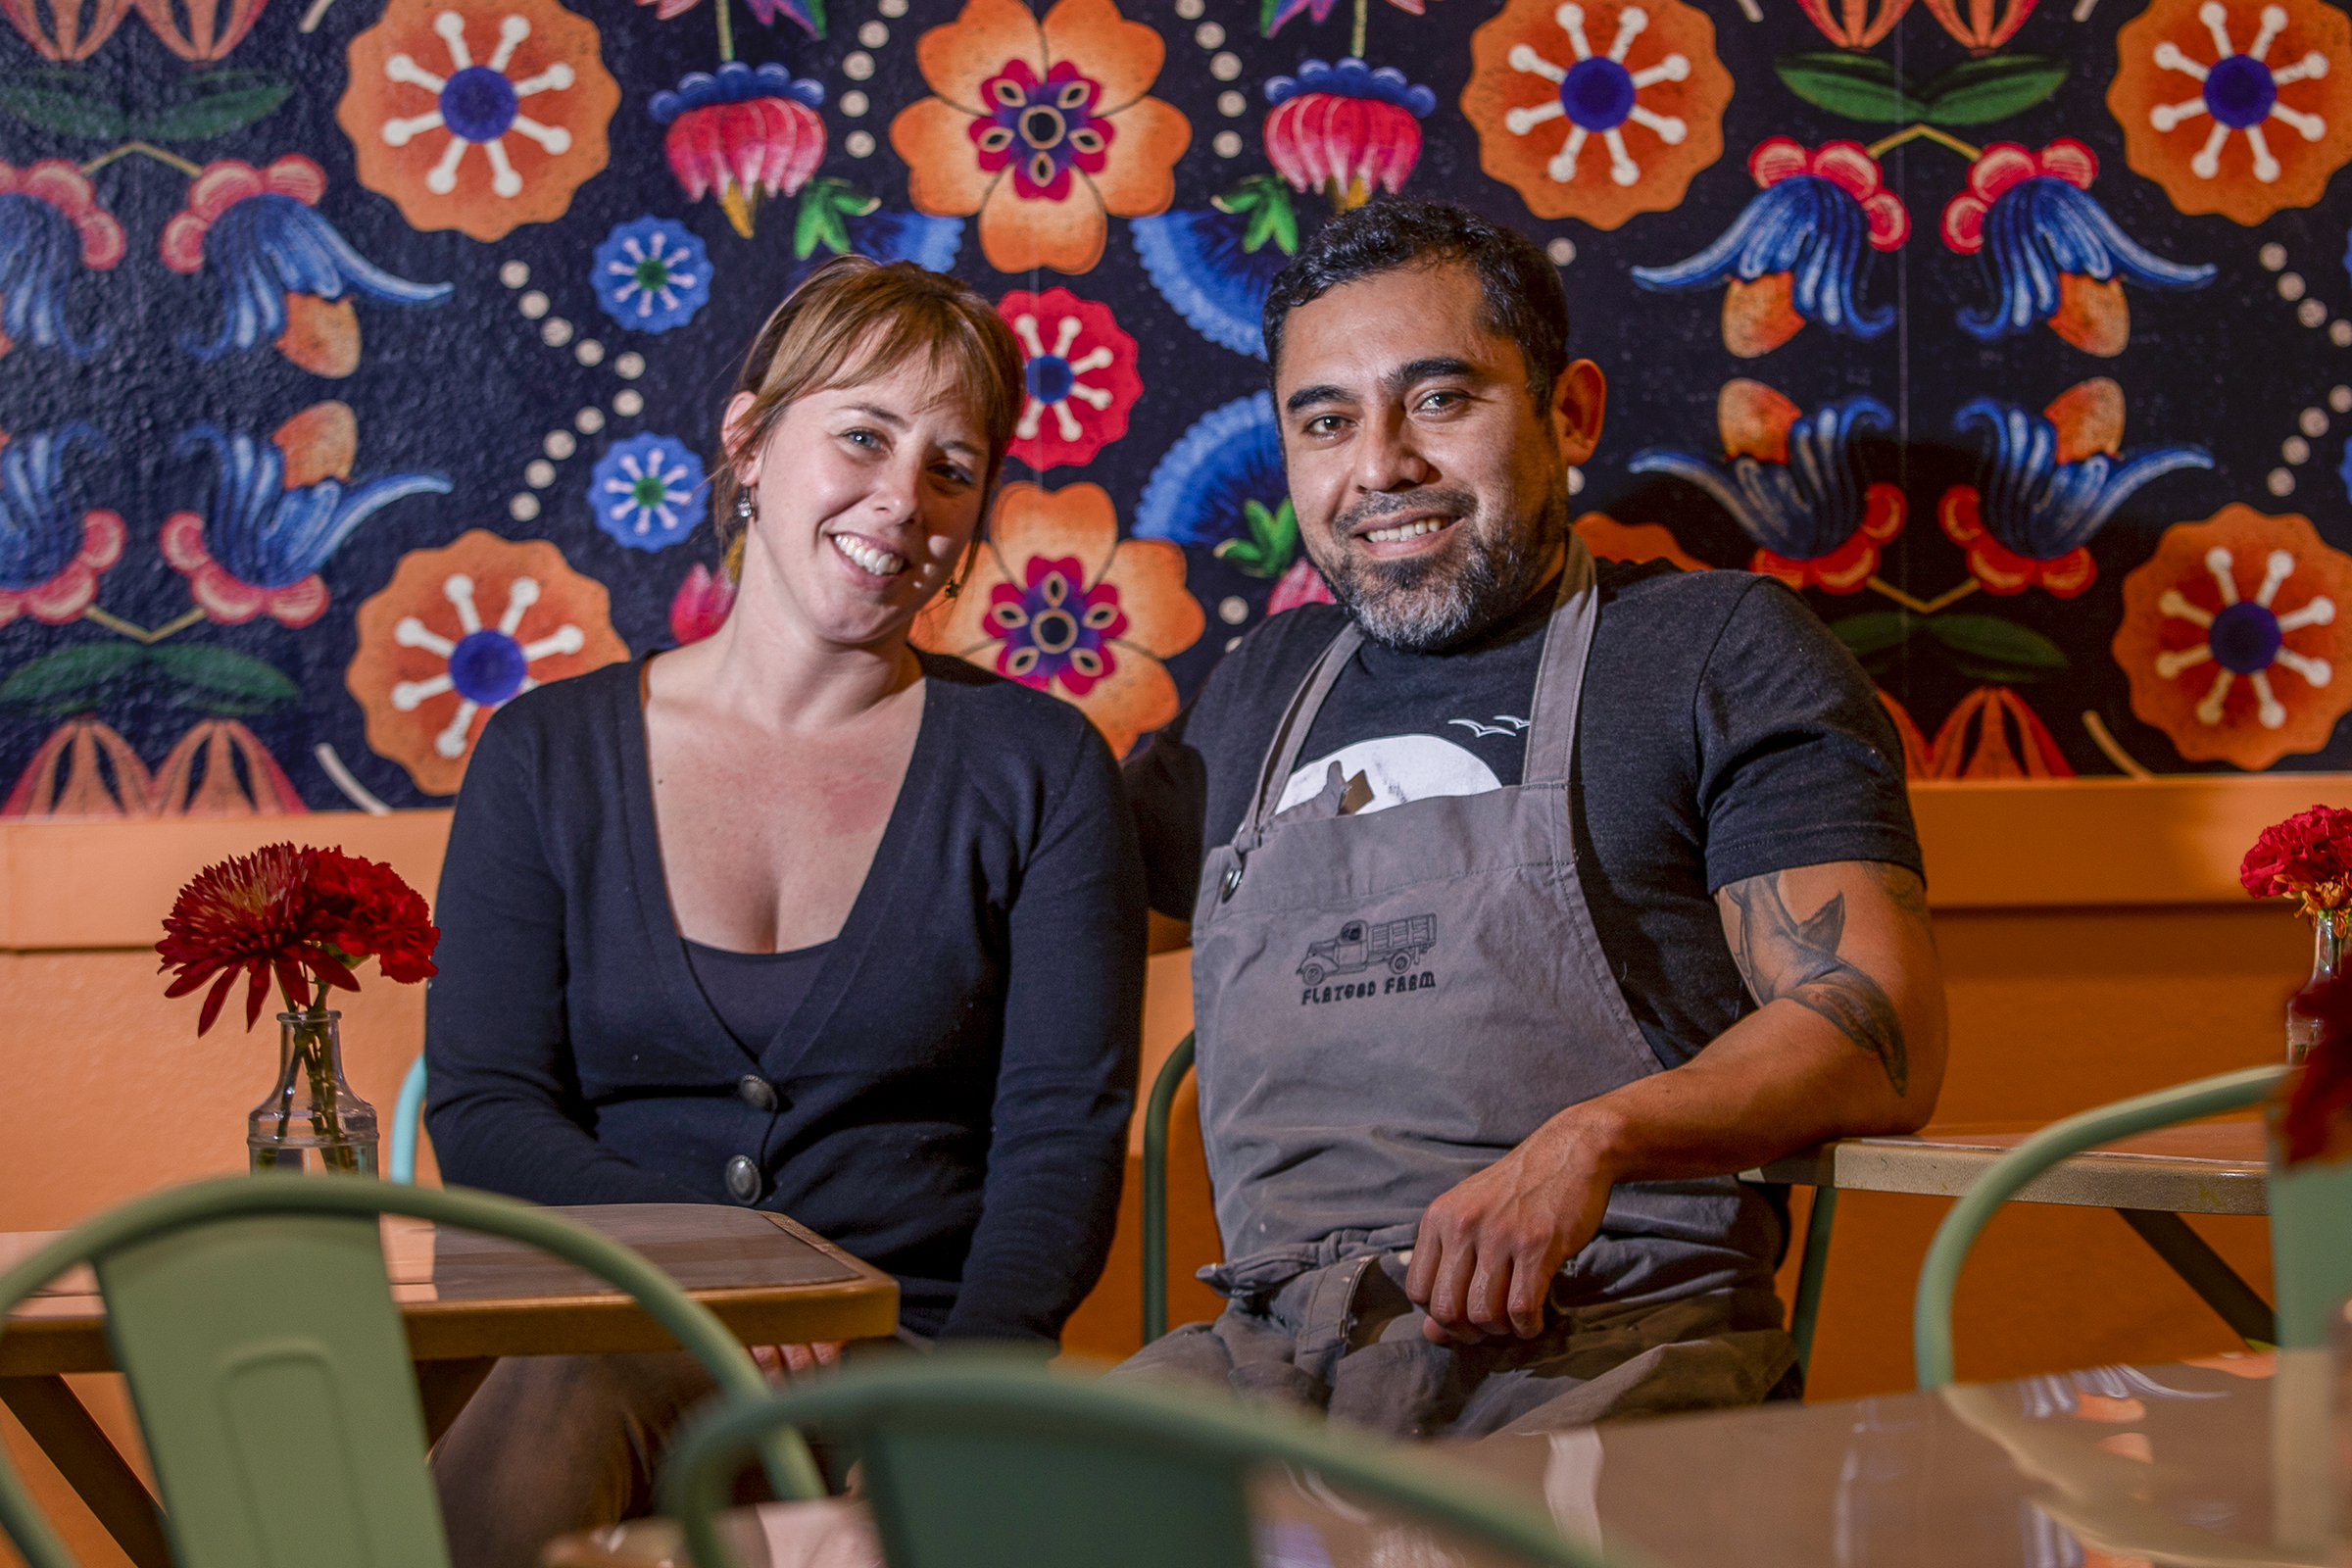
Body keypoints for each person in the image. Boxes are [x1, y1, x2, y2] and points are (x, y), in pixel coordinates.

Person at [1115, 200, 1947, 1438]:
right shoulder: (1260, 686)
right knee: (883, 1530)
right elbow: (1014, 925)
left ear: (1570, 413)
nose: (1380, 465)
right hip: (1258, 1361)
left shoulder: (1711, 649)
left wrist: (1592, 1140)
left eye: (1441, 401)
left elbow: (1881, 1032)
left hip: (1602, 1345)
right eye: (1327, 421)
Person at [423, 256, 1146, 1563]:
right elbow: (482, 1115)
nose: (904, 500)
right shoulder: (544, 755)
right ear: (749, 443)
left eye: (952, 466)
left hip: (907, 1368)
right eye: (863, 436)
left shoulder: (1040, 769)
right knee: (548, 1380)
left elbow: (1059, 1150)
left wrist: (946, 1423)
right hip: (609, 1332)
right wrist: (721, 1262)